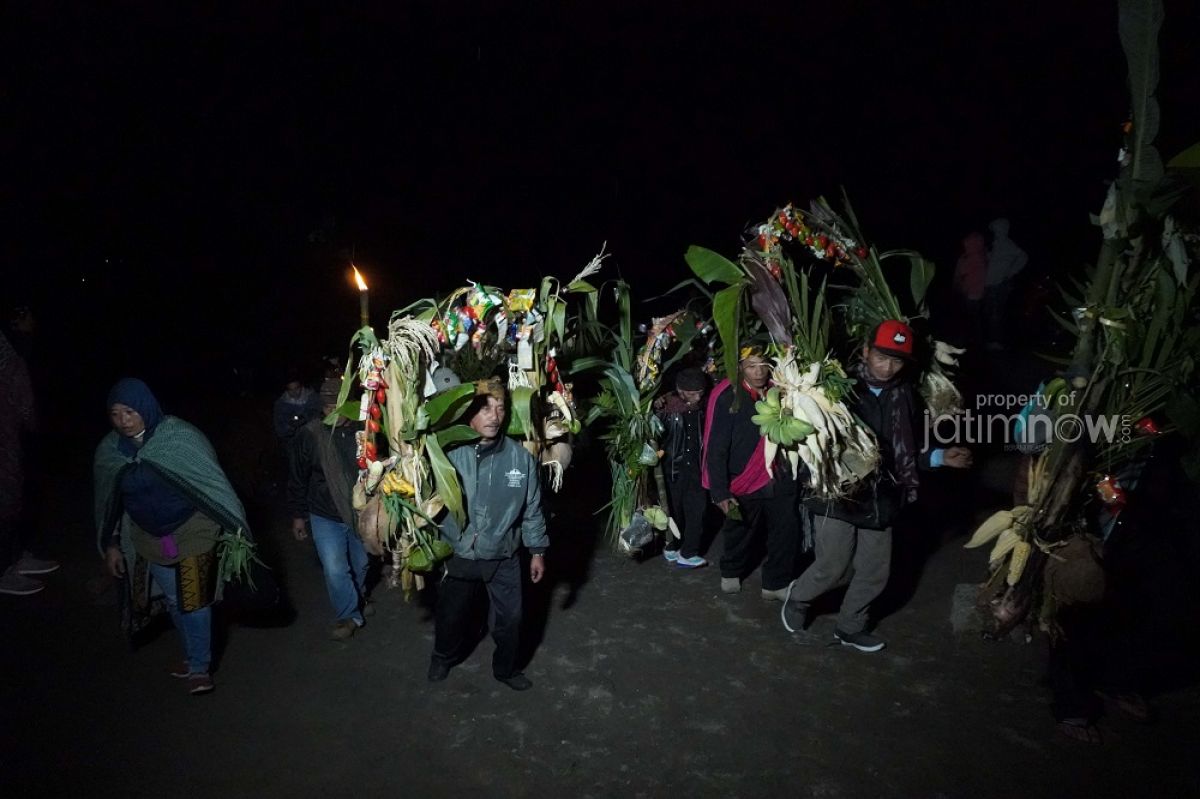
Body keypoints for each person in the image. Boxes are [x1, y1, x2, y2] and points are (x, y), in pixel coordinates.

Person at [782, 321, 972, 651]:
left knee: (874, 570)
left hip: (883, 495)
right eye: (881, 357)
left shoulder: (905, 394)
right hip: (838, 491)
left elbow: (907, 449)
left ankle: (850, 626)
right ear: (866, 351)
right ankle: (798, 598)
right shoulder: (836, 388)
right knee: (832, 565)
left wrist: (940, 456)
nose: (888, 367)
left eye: (897, 361)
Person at [94, 378, 251, 694]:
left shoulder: (179, 437)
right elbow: (108, 503)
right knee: (174, 601)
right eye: (115, 414)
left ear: (146, 407)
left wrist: (234, 529)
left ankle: (199, 667)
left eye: (130, 411)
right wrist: (111, 544)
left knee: (195, 601)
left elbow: (210, 482)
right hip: (149, 538)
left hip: (194, 530)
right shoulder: (110, 451)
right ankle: (192, 655)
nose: (123, 421)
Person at [428, 377, 548, 690]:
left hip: (503, 552)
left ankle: (506, 669)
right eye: (485, 408)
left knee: (511, 619)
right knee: (451, 616)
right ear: (469, 413)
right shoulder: (448, 454)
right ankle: (442, 656)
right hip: (461, 552)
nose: (494, 416)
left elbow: (532, 509)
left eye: (500, 408)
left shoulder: (520, 460)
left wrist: (537, 551)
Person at [702, 346, 801, 600]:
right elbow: (716, 447)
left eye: (763, 365)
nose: (758, 372)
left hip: (779, 474)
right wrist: (720, 491)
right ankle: (731, 571)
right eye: (751, 366)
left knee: (785, 530)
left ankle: (776, 583)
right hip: (743, 477)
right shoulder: (729, 397)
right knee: (740, 529)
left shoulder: (784, 390)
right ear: (740, 367)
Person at [288, 377, 372, 640]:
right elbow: (297, 478)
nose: (332, 411)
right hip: (324, 512)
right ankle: (347, 615)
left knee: (361, 564)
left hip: (359, 511)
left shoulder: (364, 429)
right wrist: (298, 516)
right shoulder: (310, 435)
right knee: (335, 569)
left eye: (338, 405)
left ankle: (357, 597)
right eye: (327, 406)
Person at [0, 329, 57, 595]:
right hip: (8, 440)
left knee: (15, 500)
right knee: (6, 501)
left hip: (11, 439)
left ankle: (14, 557)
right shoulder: (11, 355)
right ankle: (4, 570)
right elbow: (26, 404)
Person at [655, 367, 709, 568]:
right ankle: (671, 547)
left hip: (697, 470)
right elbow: (655, 435)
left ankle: (689, 552)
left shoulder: (704, 407)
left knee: (697, 511)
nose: (697, 397)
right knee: (673, 512)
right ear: (680, 390)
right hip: (673, 470)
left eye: (700, 392)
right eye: (692, 393)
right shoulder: (667, 408)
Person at [983, 218, 1028, 351]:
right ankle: (992, 339)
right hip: (990, 284)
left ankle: (996, 341)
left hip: (999, 284)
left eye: (996, 228)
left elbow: (1024, 257)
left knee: (995, 313)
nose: (995, 231)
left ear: (1002, 229)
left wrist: (1011, 272)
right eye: (994, 229)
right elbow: (993, 261)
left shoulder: (1008, 244)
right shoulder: (997, 244)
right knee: (991, 312)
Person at [952, 231, 987, 348]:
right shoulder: (980, 256)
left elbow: (961, 274)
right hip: (971, 292)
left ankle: (970, 341)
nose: (966, 245)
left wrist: (958, 283)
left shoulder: (974, 258)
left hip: (971, 292)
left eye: (968, 244)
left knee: (970, 318)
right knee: (973, 318)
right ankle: (974, 340)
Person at [273, 374, 322, 444]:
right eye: (291, 390)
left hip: (314, 437)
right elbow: (279, 428)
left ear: (301, 387)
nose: (294, 392)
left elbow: (320, 414)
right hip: (292, 440)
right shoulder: (281, 405)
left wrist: (305, 418)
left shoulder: (313, 398)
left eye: (296, 388)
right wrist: (290, 426)